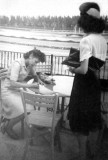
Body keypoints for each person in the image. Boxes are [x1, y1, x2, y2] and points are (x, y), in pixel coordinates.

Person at [67, 2, 107, 160]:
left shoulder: (85, 40)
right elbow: (95, 65)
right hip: (94, 83)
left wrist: (72, 69)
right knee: (91, 117)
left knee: (79, 122)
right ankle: (92, 153)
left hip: (82, 85)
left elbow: (83, 70)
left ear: (84, 21)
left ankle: (82, 155)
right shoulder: (102, 39)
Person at [1, 49, 46, 140]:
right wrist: (29, 85)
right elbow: (13, 83)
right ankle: (8, 127)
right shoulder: (17, 64)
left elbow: (34, 75)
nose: (35, 64)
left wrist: (39, 81)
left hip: (17, 89)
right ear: (31, 56)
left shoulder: (30, 64)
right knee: (24, 109)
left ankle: (9, 120)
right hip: (7, 90)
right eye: (36, 61)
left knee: (30, 106)